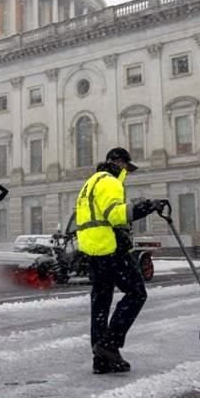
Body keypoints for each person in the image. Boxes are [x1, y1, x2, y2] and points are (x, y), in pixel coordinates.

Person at [75, 147, 167, 374]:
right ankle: (109, 344)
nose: (127, 172)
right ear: (119, 163)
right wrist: (146, 206)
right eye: (127, 167)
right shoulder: (109, 181)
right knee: (137, 293)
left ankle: (101, 360)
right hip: (110, 248)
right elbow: (115, 214)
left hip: (93, 250)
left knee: (101, 303)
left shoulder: (90, 183)